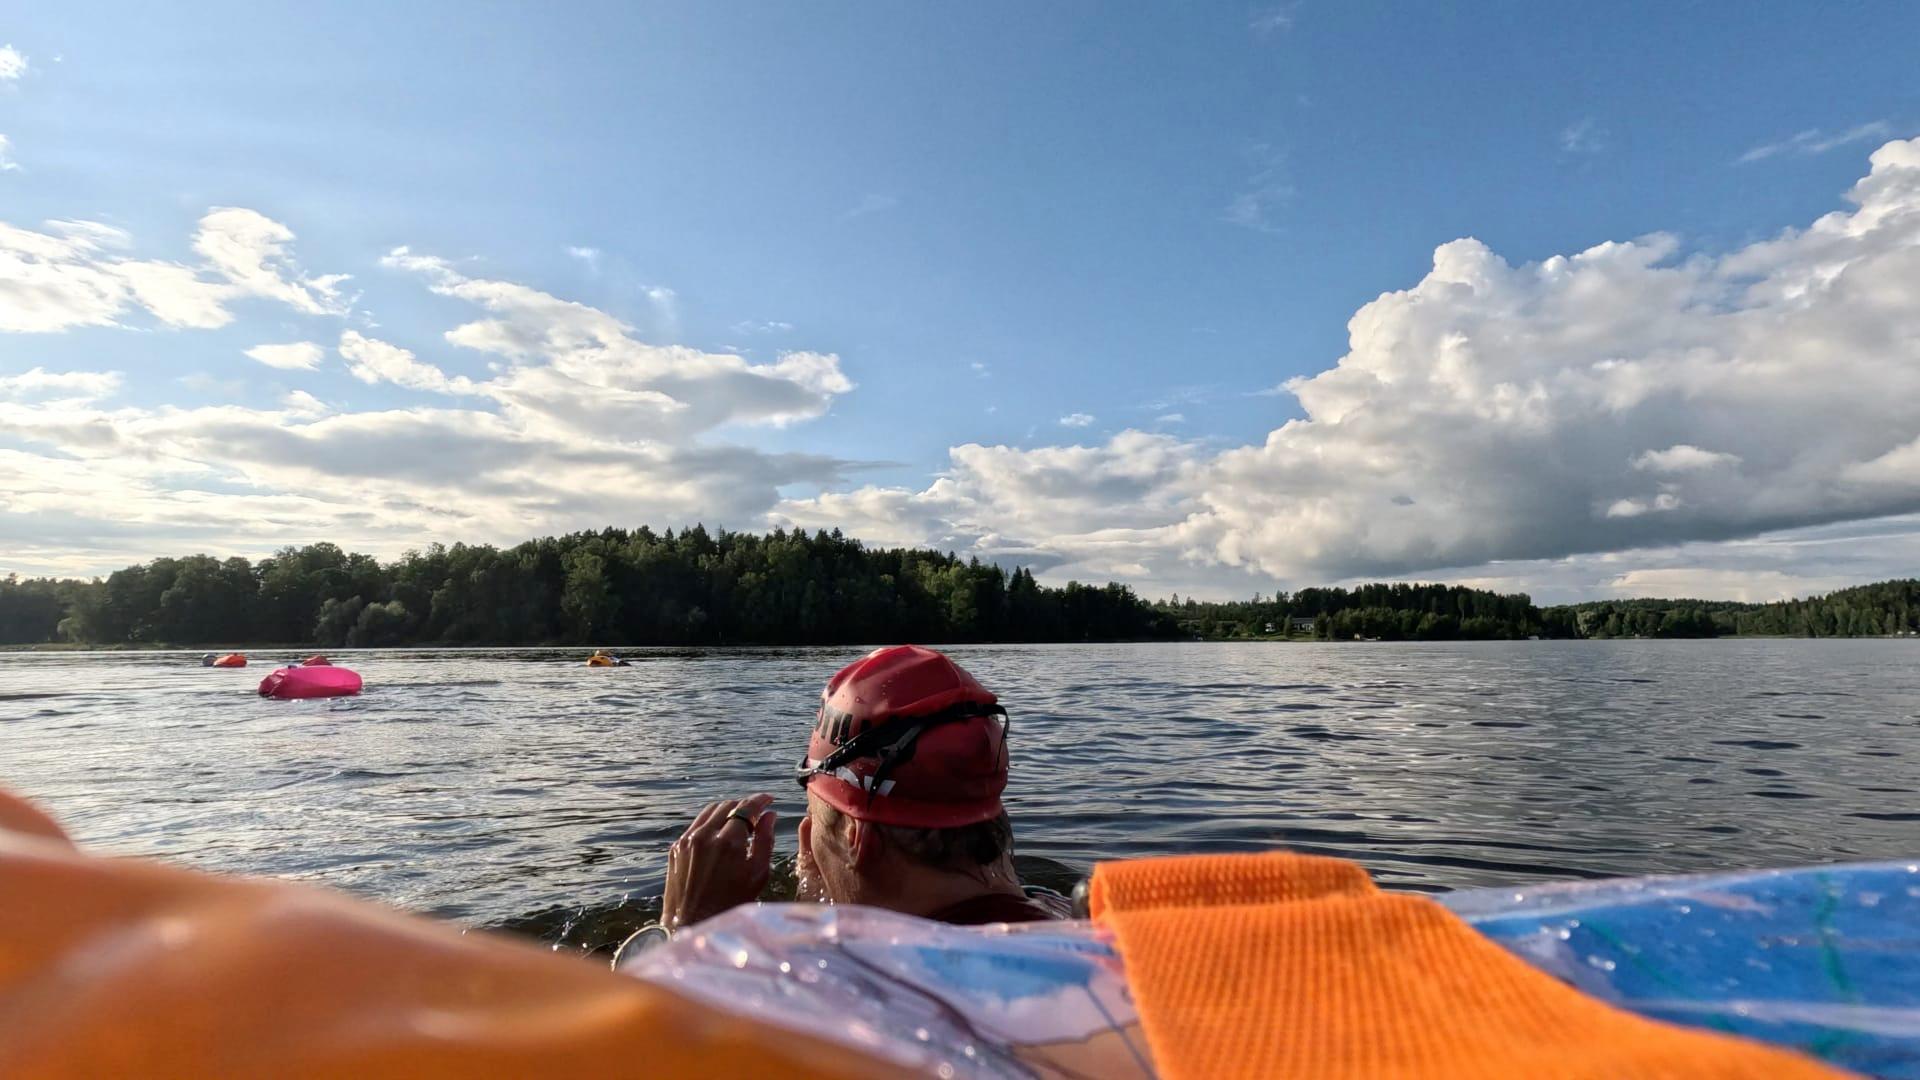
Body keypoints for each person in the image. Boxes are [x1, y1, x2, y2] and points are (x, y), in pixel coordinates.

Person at [658, 645, 1065, 934]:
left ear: (857, 837)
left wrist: (690, 932)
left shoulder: (858, 994)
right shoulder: (1079, 922)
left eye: (815, 819)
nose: (807, 839)